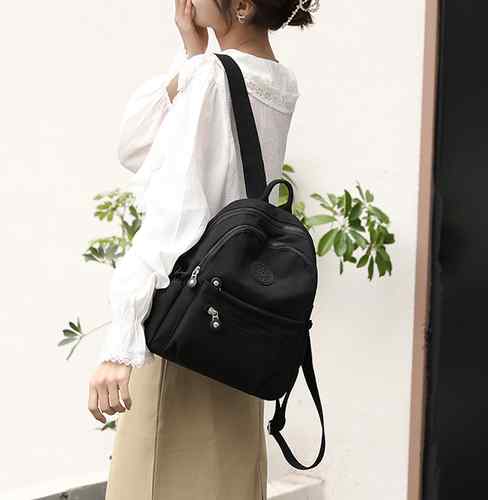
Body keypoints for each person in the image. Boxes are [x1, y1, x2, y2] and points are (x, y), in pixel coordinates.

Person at [88, 0, 317, 498]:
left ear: (242, 6)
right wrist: (193, 53)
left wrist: (120, 346)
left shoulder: (214, 77)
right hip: (235, 337)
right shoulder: (278, 82)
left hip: (182, 335)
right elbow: (140, 146)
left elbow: (174, 216)